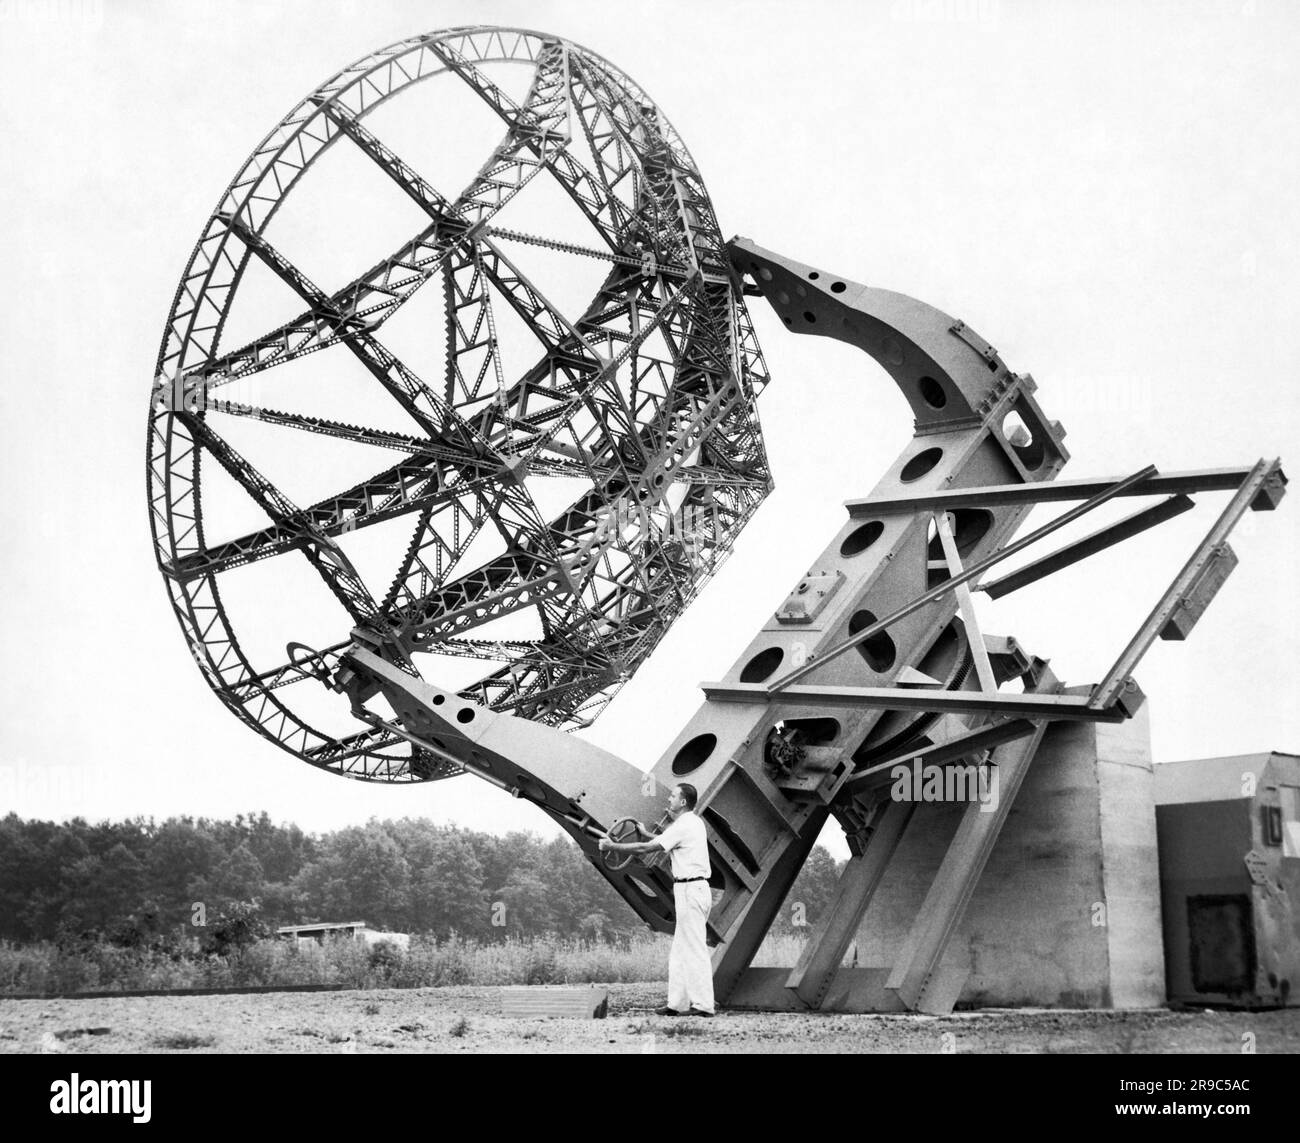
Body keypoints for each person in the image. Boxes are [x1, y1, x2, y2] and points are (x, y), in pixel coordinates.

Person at [599, 782, 715, 1017]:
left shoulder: (685, 825)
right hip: (688, 889)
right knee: (681, 950)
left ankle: (704, 1006)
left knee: (694, 949)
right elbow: (662, 841)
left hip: (691, 889)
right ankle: (677, 1005)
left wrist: (613, 846)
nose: (668, 799)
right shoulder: (690, 823)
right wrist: (645, 833)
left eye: (672, 796)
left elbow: (645, 849)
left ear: (683, 802)